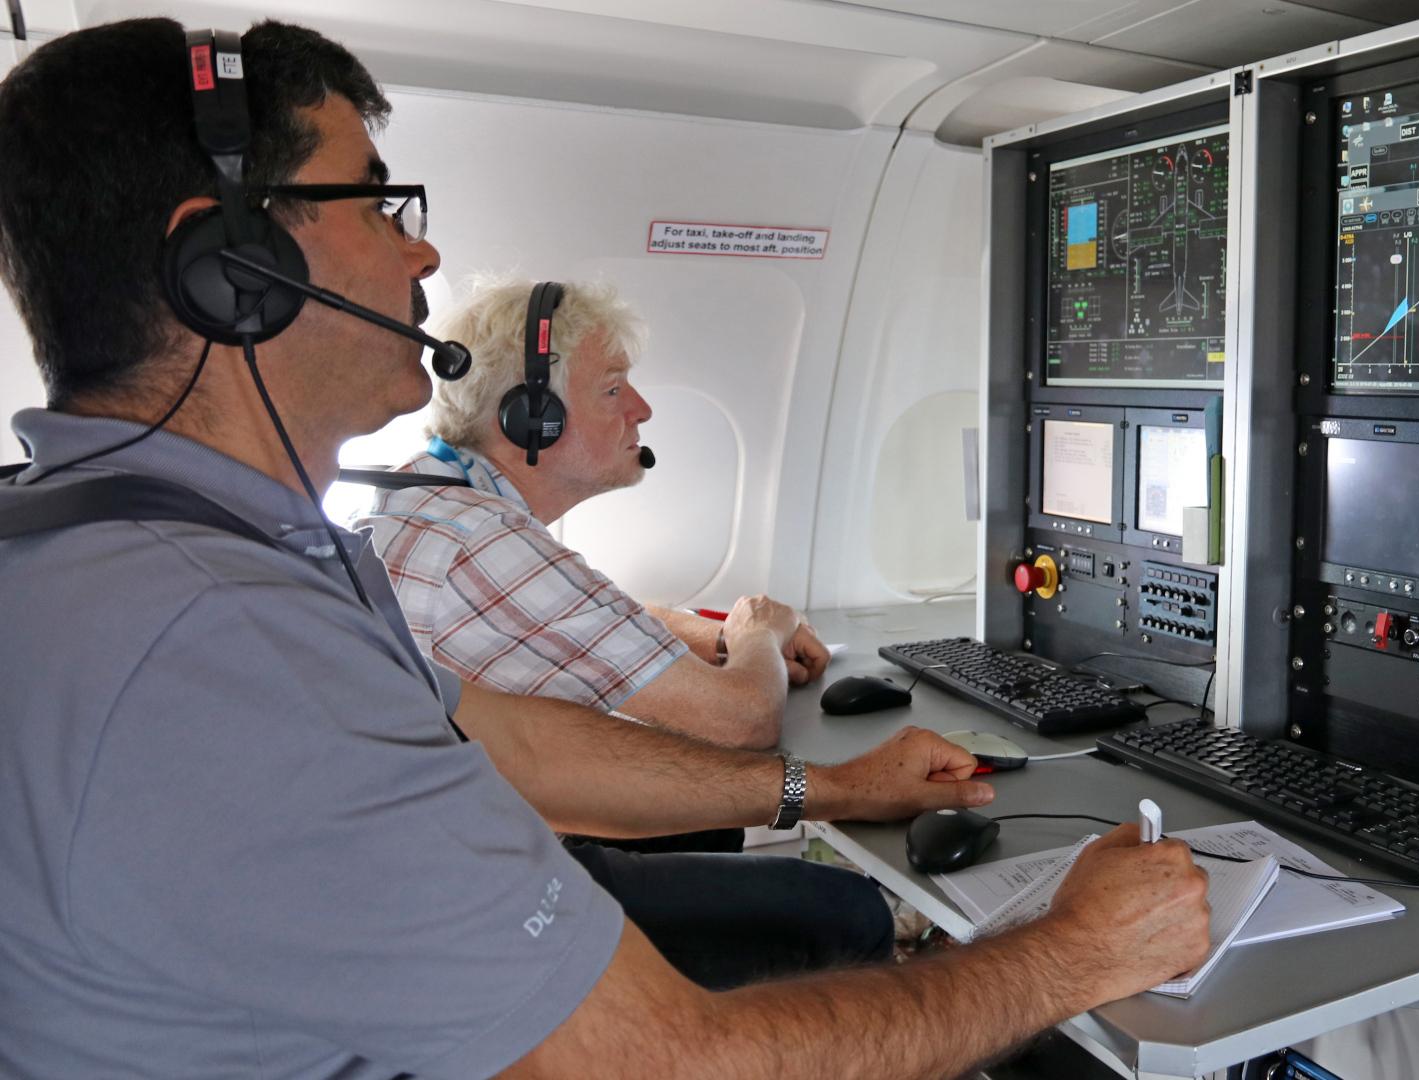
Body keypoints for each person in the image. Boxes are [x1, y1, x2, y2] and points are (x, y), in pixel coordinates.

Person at [0, 18, 1212, 1080]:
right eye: (375, 201)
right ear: (232, 270)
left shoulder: (203, 556)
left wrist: (831, 788)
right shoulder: (213, 635)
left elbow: (507, 740)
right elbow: (658, 1061)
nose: (418, 252)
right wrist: (1069, 952)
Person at [350, 276, 821, 754]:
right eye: (613, 389)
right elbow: (742, 720)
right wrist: (761, 628)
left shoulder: (428, 493)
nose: (642, 409)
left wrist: (725, 638)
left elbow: (591, 613)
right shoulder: (484, 539)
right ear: (534, 418)